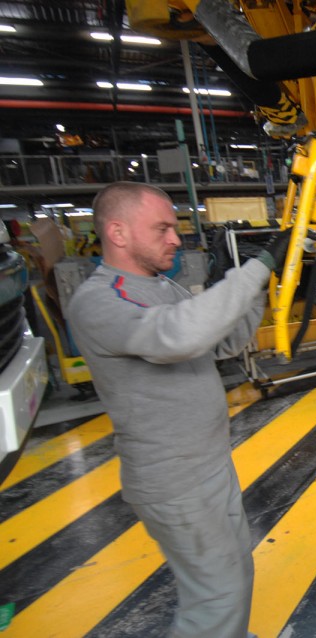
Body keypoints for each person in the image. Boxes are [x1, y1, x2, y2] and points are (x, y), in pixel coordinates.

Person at [66, 182, 290, 638]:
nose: (175, 239)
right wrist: (251, 270)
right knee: (217, 593)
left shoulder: (160, 285)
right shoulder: (98, 301)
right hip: (173, 479)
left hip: (208, 463)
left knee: (232, 574)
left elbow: (223, 342)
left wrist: (262, 287)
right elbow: (178, 336)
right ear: (119, 232)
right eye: (163, 228)